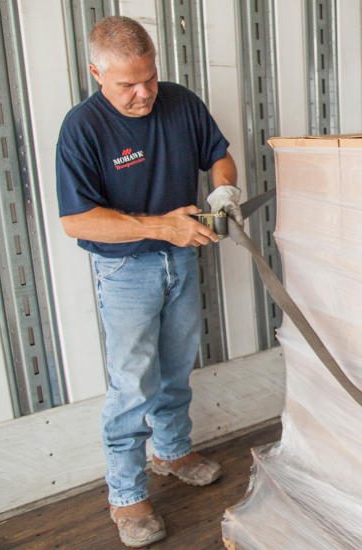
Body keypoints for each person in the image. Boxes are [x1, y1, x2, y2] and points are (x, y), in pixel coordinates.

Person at [56, 16, 243, 548]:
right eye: (128, 85)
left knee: (176, 367)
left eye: (150, 78)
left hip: (179, 260)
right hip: (125, 271)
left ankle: (172, 451)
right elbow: (77, 221)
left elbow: (219, 156)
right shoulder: (83, 128)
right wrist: (162, 226)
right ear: (96, 73)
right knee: (133, 381)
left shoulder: (180, 102)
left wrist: (223, 190)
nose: (143, 94)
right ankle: (126, 495)